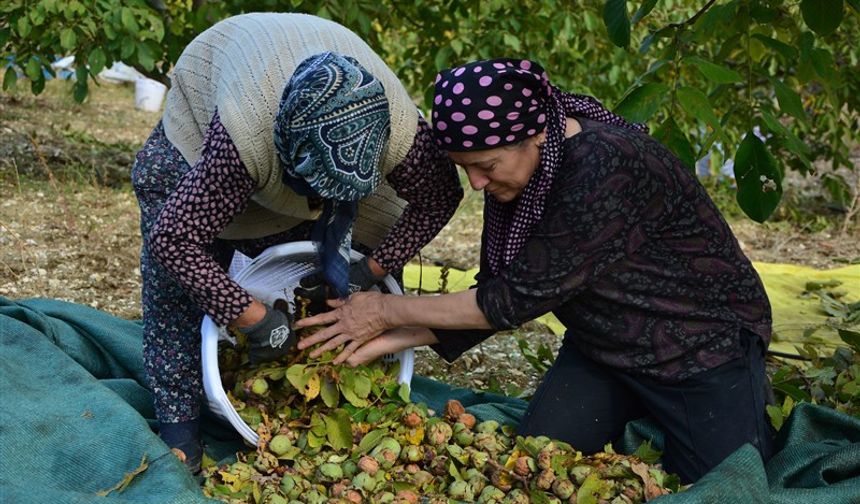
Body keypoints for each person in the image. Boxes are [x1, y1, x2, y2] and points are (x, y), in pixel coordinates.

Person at [296, 58, 775, 483]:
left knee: (726, 484)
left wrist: (384, 312)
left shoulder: (605, 167)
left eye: (485, 165)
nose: (476, 184)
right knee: (539, 459)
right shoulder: (522, 176)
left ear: (537, 133)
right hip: (605, 345)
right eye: (465, 169)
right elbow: (496, 290)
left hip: (697, 346)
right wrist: (380, 340)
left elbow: (510, 301)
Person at [130, 13, 462, 472]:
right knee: (181, 290)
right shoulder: (241, 139)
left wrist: (370, 271)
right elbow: (175, 240)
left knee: (344, 274)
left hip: (324, 146)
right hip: (211, 120)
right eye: (315, 192)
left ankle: (347, 380)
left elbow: (441, 197)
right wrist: (253, 318)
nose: (317, 205)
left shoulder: (401, 135)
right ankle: (180, 426)